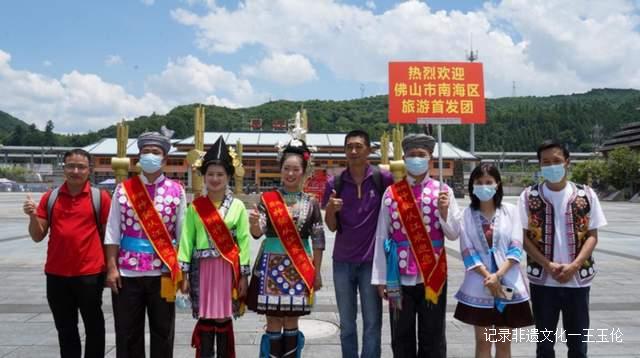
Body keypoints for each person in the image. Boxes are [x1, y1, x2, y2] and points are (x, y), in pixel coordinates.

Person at [371, 133, 461, 358]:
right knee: (400, 335)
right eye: (411, 155)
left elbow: (453, 233)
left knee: (433, 335)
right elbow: (382, 236)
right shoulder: (392, 193)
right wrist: (380, 279)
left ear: (430, 158)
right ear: (404, 158)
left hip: (432, 275)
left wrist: (444, 212)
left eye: (421, 155)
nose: (416, 159)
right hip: (397, 275)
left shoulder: (443, 192)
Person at [519, 140, 607, 358]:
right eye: (545, 162)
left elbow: (592, 236)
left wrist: (574, 266)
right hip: (542, 281)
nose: (551, 166)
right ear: (539, 165)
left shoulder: (585, 195)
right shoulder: (529, 196)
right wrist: (547, 265)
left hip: (577, 281)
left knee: (577, 344)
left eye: (556, 161)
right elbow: (522, 237)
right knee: (545, 343)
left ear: (567, 162)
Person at [104, 129, 186, 358]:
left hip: (162, 271)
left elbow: (182, 235)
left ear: (165, 159)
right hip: (127, 272)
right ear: (138, 157)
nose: (150, 155)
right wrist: (111, 268)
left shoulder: (176, 191)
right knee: (127, 331)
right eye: (145, 152)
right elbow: (112, 231)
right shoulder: (123, 189)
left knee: (163, 331)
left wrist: (182, 273)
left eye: (155, 152)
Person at [23, 148, 111, 358]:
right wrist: (32, 215)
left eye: (81, 167)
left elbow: (110, 237)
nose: (75, 171)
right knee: (65, 329)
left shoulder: (100, 198)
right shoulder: (50, 198)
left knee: (94, 327)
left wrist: (111, 268)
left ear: (89, 170)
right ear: (64, 169)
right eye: (70, 166)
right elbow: (37, 235)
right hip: (56, 274)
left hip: (90, 273)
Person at [246, 138, 325, 358]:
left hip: (299, 268)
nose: (291, 174)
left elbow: (318, 241)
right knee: (272, 319)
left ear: (304, 171)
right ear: (280, 170)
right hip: (271, 265)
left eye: (296, 169)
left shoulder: (312, 203)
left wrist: (317, 273)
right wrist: (254, 223)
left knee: (292, 319)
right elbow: (257, 231)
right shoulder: (268, 199)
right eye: (287, 169)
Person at [178, 136, 251, 358]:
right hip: (202, 269)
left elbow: (245, 240)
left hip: (227, 268)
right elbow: (186, 239)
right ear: (203, 177)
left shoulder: (238, 206)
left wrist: (244, 275)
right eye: (210, 174)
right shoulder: (196, 207)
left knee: (223, 315)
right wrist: (183, 273)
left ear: (228, 176)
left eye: (220, 174)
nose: (215, 178)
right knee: (206, 315)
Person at [322, 129, 393, 358]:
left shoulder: (382, 179)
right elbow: (331, 226)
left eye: (358, 146)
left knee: (373, 322)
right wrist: (331, 210)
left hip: (372, 263)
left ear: (368, 151)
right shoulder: (335, 183)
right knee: (347, 323)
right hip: (342, 261)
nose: (353, 151)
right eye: (349, 147)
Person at [453, 164, 533, 358]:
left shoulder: (511, 211)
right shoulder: (466, 215)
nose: (483, 186)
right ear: (472, 186)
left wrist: (498, 275)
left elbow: (516, 246)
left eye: (488, 182)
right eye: (478, 183)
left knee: (503, 342)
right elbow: (467, 250)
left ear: (497, 184)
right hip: (479, 285)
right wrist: (488, 276)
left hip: (507, 285)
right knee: (483, 342)